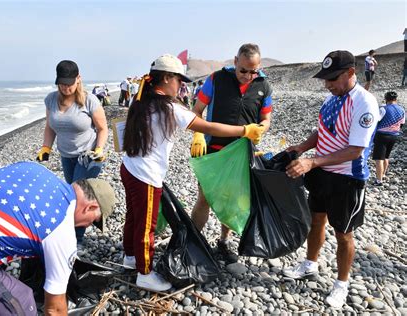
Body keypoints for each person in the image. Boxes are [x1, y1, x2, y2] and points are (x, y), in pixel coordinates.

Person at [120, 54, 264, 291]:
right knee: (146, 225)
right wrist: (243, 130)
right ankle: (144, 273)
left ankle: (130, 257)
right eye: (179, 80)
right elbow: (207, 126)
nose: (181, 86)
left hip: (129, 167)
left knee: (133, 217)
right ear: (166, 78)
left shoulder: (141, 100)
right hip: (145, 174)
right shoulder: (168, 107)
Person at [0, 161, 117, 316]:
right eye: (93, 222)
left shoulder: (35, 169)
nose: (86, 226)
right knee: (21, 302)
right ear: (90, 208)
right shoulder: (61, 230)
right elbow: (55, 308)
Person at [282, 50, 379, 309]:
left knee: (343, 233)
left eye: (332, 79)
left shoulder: (364, 103)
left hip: (347, 178)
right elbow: (322, 129)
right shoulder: (331, 98)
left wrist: (312, 161)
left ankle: (341, 285)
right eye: (325, 79)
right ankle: (310, 264)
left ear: (351, 73)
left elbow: (355, 150)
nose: (327, 84)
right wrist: (302, 148)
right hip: (323, 172)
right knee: (316, 220)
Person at [190, 43, 273, 263]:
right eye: (243, 70)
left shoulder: (264, 85)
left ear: (259, 67)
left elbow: (266, 118)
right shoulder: (216, 79)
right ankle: (192, 241)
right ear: (235, 62)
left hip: (242, 153)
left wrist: (262, 129)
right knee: (204, 198)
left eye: (252, 71)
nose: (247, 76)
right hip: (214, 151)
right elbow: (197, 111)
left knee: (232, 200)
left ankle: (223, 242)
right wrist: (198, 135)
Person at [36, 60, 109, 244]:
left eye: (69, 84)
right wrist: (46, 147)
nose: (66, 88)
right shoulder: (51, 100)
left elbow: (102, 128)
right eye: (62, 84)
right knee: (72, 193)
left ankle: (75, 240)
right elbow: (50, 127)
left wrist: (99, 149)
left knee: (77, 197)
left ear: (78, 79)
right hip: (66, 156)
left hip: (88, 157)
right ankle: (90, 218)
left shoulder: (89, 100)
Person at [372, 91, 405, 186]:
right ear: (396, 99)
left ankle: (379, 181)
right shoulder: (402, 110)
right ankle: (383, 174)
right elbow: (402, 123)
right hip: (394, 135)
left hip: (382, 135)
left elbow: (376, 120)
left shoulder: (383, 109)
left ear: (386, 99)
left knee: (379, 159)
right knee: (386, 156)